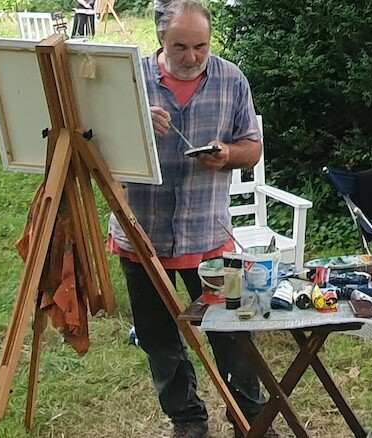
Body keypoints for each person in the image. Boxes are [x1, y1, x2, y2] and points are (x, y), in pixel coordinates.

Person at [107, 1, 279, 437]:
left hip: (210, 236)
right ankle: (187, 421)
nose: (192, 57)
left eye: (201, 46)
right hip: (142, 236)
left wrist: (228, 155)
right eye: (180, 47)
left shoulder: (231, 79)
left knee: (235, 336)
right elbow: (95, 149)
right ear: (160, 39)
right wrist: (135, 126)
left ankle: (251, 419)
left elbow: (252, 148)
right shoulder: (128, 81)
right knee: (160, 340)